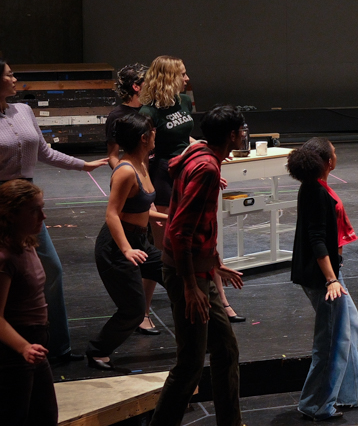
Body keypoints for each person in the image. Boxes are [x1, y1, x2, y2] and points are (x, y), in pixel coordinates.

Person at [136, 105, 254, 426]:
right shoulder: (206, 167)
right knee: (189, 362)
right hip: (188, 276)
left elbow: (199, 226)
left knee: (225, 347)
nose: (246, 134)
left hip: (199, 270)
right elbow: (180, 230)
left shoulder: (198, 153)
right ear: (233, 135)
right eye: (243, 129)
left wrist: (213, 263)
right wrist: (191, 285)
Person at [0, 181, 95, 426]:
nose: (43, 216)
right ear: (12, 214)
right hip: (14, 352)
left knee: (43, 423)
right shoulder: (4, 256)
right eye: (34, 210)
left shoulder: (26, 243)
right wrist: (24, 347)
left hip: (33, 346)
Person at [0, 60, 109, 365]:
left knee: (52, 271)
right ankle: (14, 345)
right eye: (9, 74)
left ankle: (58, 348)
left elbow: (44, 152)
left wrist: (83, 165)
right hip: (2, 205)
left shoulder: (23, 110)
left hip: (28, 205)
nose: (14, 78)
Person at [139, 56, 244, 322]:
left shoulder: (183, 102)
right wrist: (147, 194)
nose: (187, 79)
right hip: (164, 175)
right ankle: (143, 312)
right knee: (165, 250)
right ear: (167, 77)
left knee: (206, 238)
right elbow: (142, 154)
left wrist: (205, 155)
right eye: (182, 74)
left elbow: (183, 137)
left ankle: (221, 301)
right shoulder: (148, 112)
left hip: (187, 169)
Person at [287, 138, 358, 422]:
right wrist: (331, 280)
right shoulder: (314, 191)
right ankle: (315, 405)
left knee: (349, 325)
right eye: (334, 151)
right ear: (328, 162)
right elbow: (317, 240)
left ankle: (352, 394)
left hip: (330, 273)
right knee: (331, 339)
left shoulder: (316, 186)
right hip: (323, 277)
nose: (336, 154)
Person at [87, 114, 167, 369]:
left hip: (139, 242)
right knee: (133, 310)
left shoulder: (142, 165)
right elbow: (112, 214)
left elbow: (139, 209)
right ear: (144, 138)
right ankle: (97, 351)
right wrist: (126, 249)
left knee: (175, 272)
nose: (156, 136)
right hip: (116, 247)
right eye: (153, 132)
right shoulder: (125, 171)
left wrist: (168, 215)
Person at [106, 62, 147, 169]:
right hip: (135, 169)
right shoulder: (116, 116)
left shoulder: (151, 109)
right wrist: (126, 175)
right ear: (136, 87)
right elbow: (112, 156)